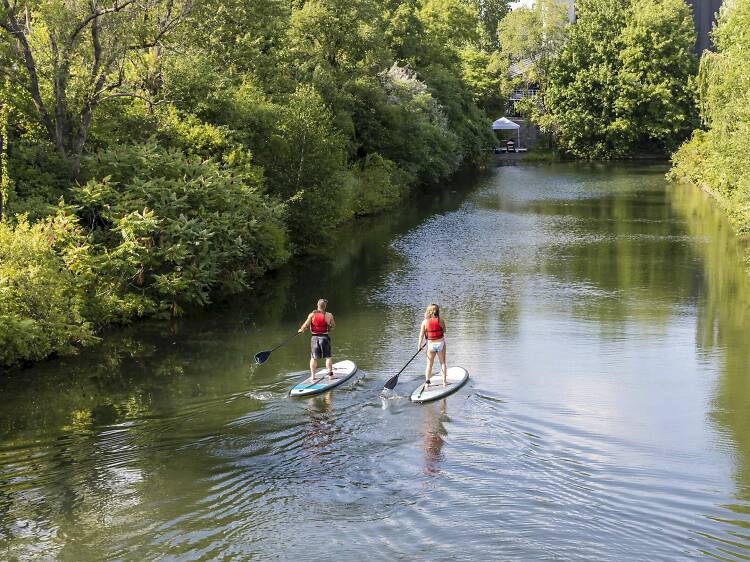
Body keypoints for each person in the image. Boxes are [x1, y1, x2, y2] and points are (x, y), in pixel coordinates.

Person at [299, 299, 336, 383]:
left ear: (317, 305)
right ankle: (330, 375)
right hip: (324, 338)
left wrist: (301, 330)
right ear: (325, 306)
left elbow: (305, 326)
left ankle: (313, 377)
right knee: (328, 357)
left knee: (313, 358)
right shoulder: (329, 315)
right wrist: (329, 325)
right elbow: (334, 326)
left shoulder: (311, 315)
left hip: (314, 338)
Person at [418, 303, 447, 388]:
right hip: (440, 343)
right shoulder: (441, 320)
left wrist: (419, 346)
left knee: (429, 364)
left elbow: (421, 335)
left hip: (430, 345)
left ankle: (427, 382)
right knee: (443, 363)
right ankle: (444, 382)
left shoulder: (424, 322)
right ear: (437, 311)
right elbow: (444, 331)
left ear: (428, 311)